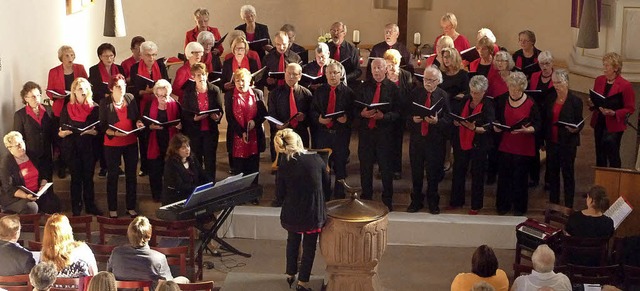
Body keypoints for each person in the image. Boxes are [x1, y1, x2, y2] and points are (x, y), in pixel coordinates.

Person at [274, 129, 328, 291]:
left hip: (292, 212)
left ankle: (290, 274)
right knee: (309, 246)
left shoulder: (283, 164)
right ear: (299, 142)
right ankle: (303, 282)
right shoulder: (317, 160)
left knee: (292, 240)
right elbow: (326, 185)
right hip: (312, 212)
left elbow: (279, 194)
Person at [494, 72, 541, 216]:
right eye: (511, 88)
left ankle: (519, 208)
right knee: (504, 177)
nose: (513, 92)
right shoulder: (502, 100)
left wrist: (528, 130)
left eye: (517, 89)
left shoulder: (531, 103)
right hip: (506, 144)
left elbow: (538, 124)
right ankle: (503, 206)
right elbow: (496, 119)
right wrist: (496, 126)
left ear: (522, 89)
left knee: (520, 179)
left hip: (523, 146)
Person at [355, 58, 399, 211]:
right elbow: (354, 109)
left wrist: (384, 117)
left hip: (385, 134)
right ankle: (366, 197)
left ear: (386, 69)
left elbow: (399, 113)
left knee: (386, 168)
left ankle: (387, 200)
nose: (376, 71)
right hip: (366, 133)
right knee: (365, 167)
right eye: (374, 68)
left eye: (380, 68)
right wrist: (362, 113)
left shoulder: (393, 88)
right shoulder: (363, 87)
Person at [406, 66, 451, 214]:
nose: (428, 83)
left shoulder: (443, 95)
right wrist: (413, 119)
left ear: (438, 81)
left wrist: (437, 121)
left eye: (431, 80)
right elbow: (405, 116)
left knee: (433, 174)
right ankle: (416, 201)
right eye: (425, 79)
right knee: (416, 173)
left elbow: (449, 119)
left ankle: (433, 202)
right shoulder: (415, 93)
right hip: (417, 140)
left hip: (435, 141)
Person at [99, 74, 144, 218]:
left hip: (130, 141)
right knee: (113, 176)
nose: (122, 89)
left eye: (123, 86)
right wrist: (116, 134)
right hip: (112, 144)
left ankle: (131, 207)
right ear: (111, 88)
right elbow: (103, 126)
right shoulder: (105, 103)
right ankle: (113, 208)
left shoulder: (130, 98)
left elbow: (136, 116)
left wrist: (138, 123)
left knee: (132, 175)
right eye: (118, 86)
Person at [449, 75, 495, 215]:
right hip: (462, 140)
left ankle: (476, 205)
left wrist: (474, 128)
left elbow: (489, 127)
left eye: (477, 93)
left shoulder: (488, 104)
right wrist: (456, 122)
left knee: (477, 174)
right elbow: (455, 115)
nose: (473, 95)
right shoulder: (465, 99)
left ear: (484, 92)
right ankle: (457, 201)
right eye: (472, 92)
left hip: (479, 144)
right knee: (458, 171)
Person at [310, 62, 354, 200]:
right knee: (323, 166)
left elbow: (354, 113)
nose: (333, 75)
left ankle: (340, 194)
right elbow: (312, 111)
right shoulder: (320, 91)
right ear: (325, 74)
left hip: (340, 134)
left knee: (340, 165)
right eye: (330, 73)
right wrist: (319, 119)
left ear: (341, 75)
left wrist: (346, 119)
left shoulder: (349, 93)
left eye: (335, 73)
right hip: (323, 134)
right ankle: (325, 194)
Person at [58, 78, 103, 216]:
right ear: (74, 91)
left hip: (89, 147)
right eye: (79, 89)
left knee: (88, 178)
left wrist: (92, 131)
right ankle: (76, 207)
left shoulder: (95, 107)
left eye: (85, 89)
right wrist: (63, 132)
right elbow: (61, 128)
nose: (83, 91)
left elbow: (99, 129)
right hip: (72, 147)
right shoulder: (67, 107)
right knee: (75, 178)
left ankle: (90, 205)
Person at [108, 216, 189, 289]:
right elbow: (168, 285)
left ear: (129, 234)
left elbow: (109, 275)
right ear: (149, 236)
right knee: (184, 280)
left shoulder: (116, 253)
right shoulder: (158, 258)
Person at [46, 45, 88, 179]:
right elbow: (49, 90)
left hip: (76, 106)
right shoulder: (54, 71)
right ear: (61, 58)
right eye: (67, 56)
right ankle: (62, 165)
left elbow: (86, 85)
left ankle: (76, 164)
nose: (70, 58)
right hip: (61, 107)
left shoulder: (80, 68)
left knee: (76, 136)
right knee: (62, 138)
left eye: (72, 55)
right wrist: (56, 96)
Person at [130, 41, 170, 177]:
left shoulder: (160, 66)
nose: (151, 58)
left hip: (159, 104)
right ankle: (145, 166)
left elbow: (166, 83)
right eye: (148, 55)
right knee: (144, 136)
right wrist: (144, 92)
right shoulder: (135, 68)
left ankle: (162, 164)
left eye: (154, 55)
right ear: (141, 55)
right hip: (143, 105)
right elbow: (134, 90)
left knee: (161, 135)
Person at [589, 52, 636, 168]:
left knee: (612, 154)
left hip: (614, 125)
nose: (604, 68)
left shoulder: (625, 85)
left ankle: (614, 182)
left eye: (607, 65)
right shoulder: (599, 80)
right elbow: (596, 99)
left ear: (615, 68)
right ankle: (601, 182)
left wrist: (614, 112)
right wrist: (591, 103)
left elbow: (630, 108)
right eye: (603, 64)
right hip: (599, 121)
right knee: (599, 153)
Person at [545, 69, 583, 208]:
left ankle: (568, 206)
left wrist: (576, 129)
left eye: (559, 82)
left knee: (567, 174)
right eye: (554, 82)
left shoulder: (575, 101)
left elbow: (580, 121)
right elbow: (546, 121)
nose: (556, 86)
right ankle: (554, 204)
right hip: (552, 141)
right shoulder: (550, 98)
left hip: (567, 143)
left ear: (566, 82)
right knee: (553, 174)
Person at [181, 63, 224, 181]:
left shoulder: (214, 90)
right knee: (196, 159)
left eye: (203, 74)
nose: (201, 77)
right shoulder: (188, 92)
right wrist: (193, 119)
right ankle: (198, 185)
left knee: (210, 159)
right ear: (193, 77)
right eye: (198, 75)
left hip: (210, 130)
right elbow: (184, 113)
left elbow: (220, 110)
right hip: (194, 131)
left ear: (207, 74)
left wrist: (217, 117)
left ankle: (211, 184)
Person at [224, 68, 267, 185]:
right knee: (238, 169)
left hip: (254, 136)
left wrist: (255, 122)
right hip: (237, 136)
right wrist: (241, 132)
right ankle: (240, 194)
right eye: (237, 81)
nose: (240, 84)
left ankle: (253, 193)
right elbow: (230, 118)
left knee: (253, 167)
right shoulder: (229, 96)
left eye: (243, 80)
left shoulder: (258, 93)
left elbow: (263, 114)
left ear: (249, 81)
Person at [142, 80, 181, 202]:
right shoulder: (150, 104)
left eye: (164, 95)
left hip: (171, 141)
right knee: (155, 170)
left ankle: (171, 195)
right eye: (159, 95)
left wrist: (179, 126)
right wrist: (150, 127)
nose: (162, 98)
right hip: (155, 140)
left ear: (169, 94)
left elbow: (182, 120)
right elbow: (144, 122)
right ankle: (157, 195)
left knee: (171, 169)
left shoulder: (175, 104)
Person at [13, 81, 55, 198]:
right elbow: (18, 137)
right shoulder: (20, 115)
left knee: (48, 180)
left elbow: (53, 132)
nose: (36, 99)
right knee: (35, 182)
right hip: (31, 155)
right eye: (33, 96)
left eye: (38, 95)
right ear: (25, 98)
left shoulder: (48, 110)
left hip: (47, 152)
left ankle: (49, 204)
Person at [89, 43, 125, 177]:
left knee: (118, 133)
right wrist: (106, 95)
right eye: (105, 56)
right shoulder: (93, 70)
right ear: (100, 57)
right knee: (103, 135)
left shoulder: (119, 68)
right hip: (102, 106)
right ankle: (104, 166)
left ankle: (118, 166)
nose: (109, 58)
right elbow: (94, 90)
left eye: (111, 55)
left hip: (118, 105)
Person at [1, 131, 58, 214]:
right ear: (9, 148)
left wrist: (42, 184)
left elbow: (43, 172)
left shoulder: (31, 154)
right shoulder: (6, 163)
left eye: (21, 142)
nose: (21, 146)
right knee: (31, 207)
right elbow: (9, 188)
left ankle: (46, 225)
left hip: (35, 193)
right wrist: (26, 196)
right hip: (16, 198)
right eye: (17, 145)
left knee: (54, 203)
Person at [384, 49, 415, 179]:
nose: (390, 68)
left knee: (397, 142)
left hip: (400, 114)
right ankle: (384, 169)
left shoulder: (406, 75)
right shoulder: (382, 74)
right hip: (385, 114)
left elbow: (409, 95)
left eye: (392, 64)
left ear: (398, 63)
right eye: (387, 65)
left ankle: (396, 169)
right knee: (385, 143)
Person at [527, 51, 556, 189]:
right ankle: (534, 177)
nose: (544, 67)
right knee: (534, 148)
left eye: (547, 63)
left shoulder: (558, 77)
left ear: (552, 63)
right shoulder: (534, 76)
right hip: (537, 116)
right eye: (541, 64)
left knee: (550, 150)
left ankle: (549, 179)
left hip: (551, 118)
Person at [162, 134, 210, 205]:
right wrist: (198, 190)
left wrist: (212, 184)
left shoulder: (192, 158)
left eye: (188, 146)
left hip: (192, 193)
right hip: (177, 198)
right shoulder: (170, 164)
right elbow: (180, 186)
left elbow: (202, 174)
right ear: (176, 150)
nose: (187, 149)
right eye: (183, 148)